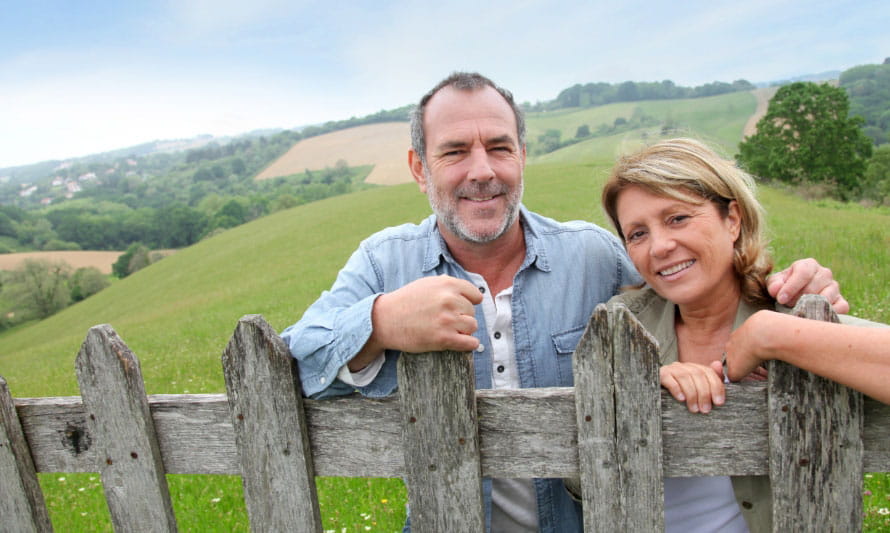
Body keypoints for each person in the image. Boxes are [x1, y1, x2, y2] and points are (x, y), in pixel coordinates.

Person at [281, 74, 845, 533]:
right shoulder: (385, 263)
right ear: (418, 168)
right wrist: (381, 323)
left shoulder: (593, 254)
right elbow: (293, 364)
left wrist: (794, 292)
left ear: (522, 156)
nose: (482, 170)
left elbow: (690, 279)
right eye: (454, 152)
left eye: (499, 148)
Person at [600, 137, 887, 532]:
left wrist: (769, 336)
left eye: (677, 218)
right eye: (637, 234)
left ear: (731, 220)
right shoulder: (621, 329)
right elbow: (578, 480)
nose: (660, 246)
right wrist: (640, 390)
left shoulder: (785, 310)